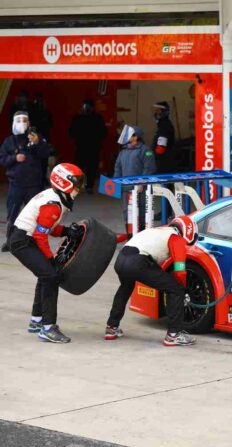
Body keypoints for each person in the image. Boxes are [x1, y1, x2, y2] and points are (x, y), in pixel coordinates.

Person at [8, 164, 86, 343]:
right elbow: (40, 235)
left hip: (24, 237)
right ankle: (48, 328)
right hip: (23, 241)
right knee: (51, 276)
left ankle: (36, 321)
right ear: (64, 182)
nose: (80, 187)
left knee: (45, 276)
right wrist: (51, 260)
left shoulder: (55, 196)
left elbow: (48, 228)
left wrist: (67, 231)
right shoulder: (53, 203)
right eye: (77, 183)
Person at [105, 215, 198, 346]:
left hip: (121, 260)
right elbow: (180, 271)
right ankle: (173, 335)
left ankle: (111, 327)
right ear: (189, 232)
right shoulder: (176, 238)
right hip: (138, 262)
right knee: (175, 289)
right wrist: (182, 289)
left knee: (125, 288)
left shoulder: (158, 231)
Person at [0, 112, 51, 252]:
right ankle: (10, 241)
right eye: (19, 120)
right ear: (13, 122)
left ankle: (33, 241)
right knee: (12, 214)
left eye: (25, 120)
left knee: (35, 215)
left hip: (33, 185)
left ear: (29, 122)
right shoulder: (9, 141)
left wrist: (37, 143)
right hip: (16, 184)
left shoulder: (35, 138)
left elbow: (46, 153)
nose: (22, 122)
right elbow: (2, 159)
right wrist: (14, 158)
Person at [114, 125, 156, 232]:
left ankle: (141, 235)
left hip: (141, 189)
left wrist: (142, 183)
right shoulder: (123, 151)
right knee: (127, 212)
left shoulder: (146, 150)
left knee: (141, 212)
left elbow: (149, 168)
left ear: (135, 137)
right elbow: (117, 167)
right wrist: (115, 183)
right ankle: (130, 235)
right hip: (126, 188)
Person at [69, 99, 107, 194]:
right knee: (82, 168)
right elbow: (71, 132)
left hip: (90, 147)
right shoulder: (80, 118)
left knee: (90, 168)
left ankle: (87, 186)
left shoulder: (96, 118)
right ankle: (83, 186)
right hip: (86, 147)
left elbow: (103, 132)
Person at [152, 101, 176, 174]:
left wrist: (152, 155)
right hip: (164, 161)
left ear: (163, 112)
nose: (155, 113)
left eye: (158, 111)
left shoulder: (165, 126)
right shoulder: (163, 125)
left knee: (163, 184)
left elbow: (161, 147)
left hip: (164, 163)